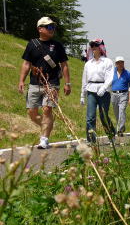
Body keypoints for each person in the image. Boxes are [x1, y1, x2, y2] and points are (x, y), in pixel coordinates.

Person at [18, 17, 71, 149]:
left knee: (47, 109)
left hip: (52, 83)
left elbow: (64, 65)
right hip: (34, 83)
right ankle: (46, 126)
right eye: (49, 27)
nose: (52, 29)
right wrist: (21, 81)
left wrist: (67, 83)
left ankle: (44, 139)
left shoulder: (57, 46)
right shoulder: (32, 44)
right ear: (40, 29)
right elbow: (26, 64)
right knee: (32, 112)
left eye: (53, 27)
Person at [80, 39, 115, 143]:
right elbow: (84, 79)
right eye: (92, 46)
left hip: (103, 90)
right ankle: (91, 139)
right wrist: (82, 95)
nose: (93, 48)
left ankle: (111, 134)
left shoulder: (107, 61)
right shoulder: (88, 64)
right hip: (91, 90)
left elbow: (110, 77)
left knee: (103, 115)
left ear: (101, 48)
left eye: (96, 46)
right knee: (90, 117)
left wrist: (104, 88)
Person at [111, 56, 130, 136]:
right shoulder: (111, 72)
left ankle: (119, 130)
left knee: (122, 111)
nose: (120, 64)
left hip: (123, 94)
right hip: (114, 94)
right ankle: (122, 126)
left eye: (122, 62)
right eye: (118, 62)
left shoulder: (128, 74)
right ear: (115, 64)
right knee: (117, 113)